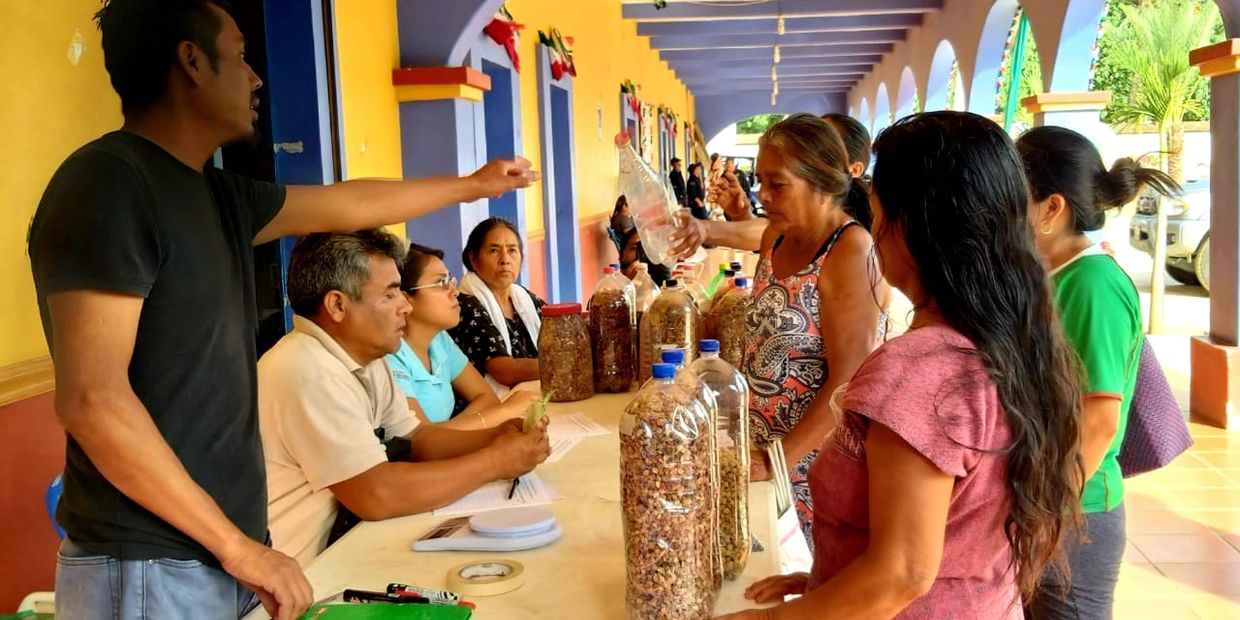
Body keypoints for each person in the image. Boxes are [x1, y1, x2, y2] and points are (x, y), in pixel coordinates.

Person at [26, 2, 535, 618]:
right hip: (148, 564)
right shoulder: (109, 186)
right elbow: (92, 400)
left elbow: (343, 203)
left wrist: (472, 186)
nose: (256, 77)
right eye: (240, 56)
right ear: (190, 62)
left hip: (213, 553)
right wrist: (236, 547)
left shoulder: (215, 192)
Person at [720, 111, 1084, 620]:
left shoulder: (920, 372)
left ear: (907, 225)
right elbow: (955, 525)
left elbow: (902, 574)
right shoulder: (1005, 338)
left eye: (875, 212)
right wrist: (829, 580)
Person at [259, 231, 550, 566]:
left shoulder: (367, 356)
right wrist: (495, 462)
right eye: (391, 294)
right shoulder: (308, 370)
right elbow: (375, 494)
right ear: (338, 305)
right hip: (296, 570)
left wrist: (496, 437)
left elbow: (415, 438)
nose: (405, 305)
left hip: (345, 545)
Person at [1018, 126, 1179, 619]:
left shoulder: (1091, 284)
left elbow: (1099, 419)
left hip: (1074, 513)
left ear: (1051, 208)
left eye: (1012, 196)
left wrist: (1047, 516)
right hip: (1041, 506)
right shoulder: (1048, 276)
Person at [740, 114, 890, 548]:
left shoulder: (849, 251)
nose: (763, 195)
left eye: (777, 183)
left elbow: (849, 382)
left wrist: (778, 460)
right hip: (764, 457)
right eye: (759, 182)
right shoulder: (776, 238)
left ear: (821, 183)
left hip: (811, 466)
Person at [669, 113, 873, 255]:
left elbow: (769, 232)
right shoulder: (787, 228)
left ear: (855, 170)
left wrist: (706, 229)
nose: (812, 147)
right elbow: (772, 235)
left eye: (777, 184)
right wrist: (742, 215)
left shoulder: (853, 238)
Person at [387, 243, 539, 429]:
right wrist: (505, 411)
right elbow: (420, 440)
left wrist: (450, 432)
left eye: (451, 281)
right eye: (441, 283)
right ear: (405, 297)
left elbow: (487, 398)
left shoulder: (439, 340)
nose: (455, 291)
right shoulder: (390, 356)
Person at [449, 218, 545, 396]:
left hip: (528, 396)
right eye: (494, 250)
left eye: (512, 251)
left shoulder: (524, 298)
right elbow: (504, 371)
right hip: (487, 409)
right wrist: (562, 363)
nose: (505, 260)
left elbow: (558, 330)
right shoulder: (467, 305)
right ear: (473, 258)